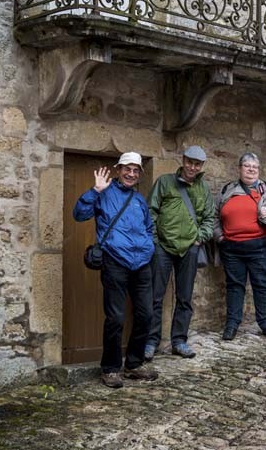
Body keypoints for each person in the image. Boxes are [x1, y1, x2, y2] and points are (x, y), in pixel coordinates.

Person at [72, 152, 158, 388]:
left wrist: (148, 247)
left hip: (141, 263)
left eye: (136, 170)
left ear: (139, 174)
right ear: (118, 170)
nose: (131, 174)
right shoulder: (104, 193)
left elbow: (149, 227)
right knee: (116, 318)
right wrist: (95, 191)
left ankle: (134, 363)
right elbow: (79, 215)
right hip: (115, 262)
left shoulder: (139, 200)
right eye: (127, 169)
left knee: (146, 315)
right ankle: (110, 368)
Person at [145, 145, 215, 360]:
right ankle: (151, 341)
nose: (192, 167)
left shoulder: (203, 189)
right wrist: (156, 241)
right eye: (189, 162)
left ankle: (179, 341)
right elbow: (151, 211)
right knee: (155, 296)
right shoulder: (165, 182)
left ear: (201, 166)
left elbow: (210, 218)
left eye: (197, 164)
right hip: (163, 248)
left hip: (190, 249)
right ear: (183, 161)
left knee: (184, 297)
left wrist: (199, 238)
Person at [213, 152, 266, 341]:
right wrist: (219, 236)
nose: (251, 169)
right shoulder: (227, 189)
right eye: (247, 166)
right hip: (231, 248)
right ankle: (232, 325)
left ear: (258, 170)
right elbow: (214, 216)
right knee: (234, 286)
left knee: (262, 285)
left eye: (254, 167)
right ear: (240, 169)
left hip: (259, 247)